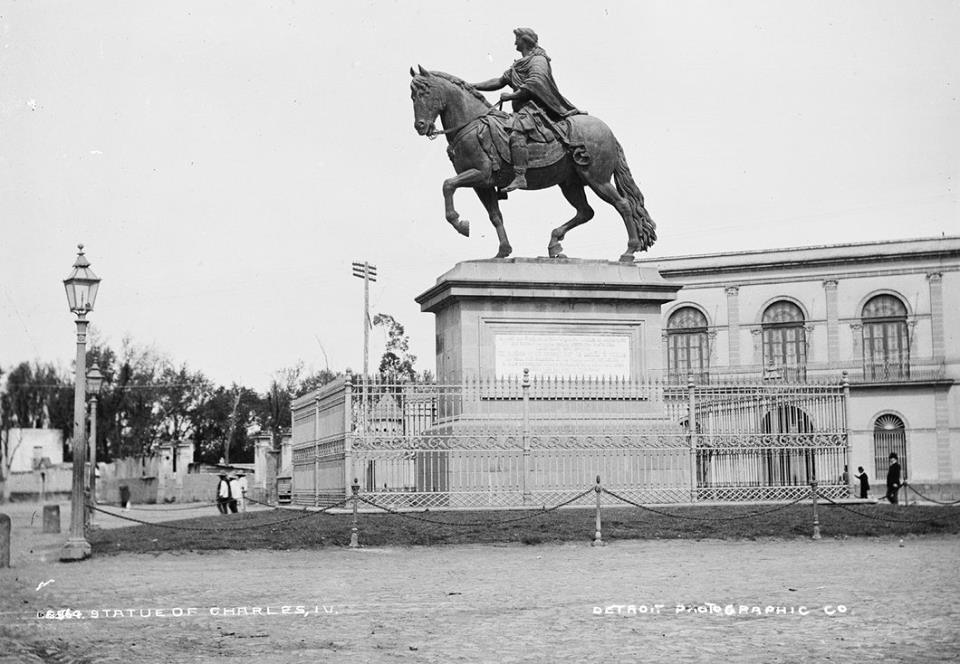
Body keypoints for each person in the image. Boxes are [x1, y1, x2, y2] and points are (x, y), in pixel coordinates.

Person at [472, 28, 580, 192]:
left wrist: (512, 96)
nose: (515, 42)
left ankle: (520, 176)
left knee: (516, 134)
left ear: (525, 40)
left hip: (535, 110)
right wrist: (472, 87)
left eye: (517, 39)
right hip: (521, 110)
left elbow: (535, 82)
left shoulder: (538, 60)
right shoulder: (519, 63)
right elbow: (499, 81)